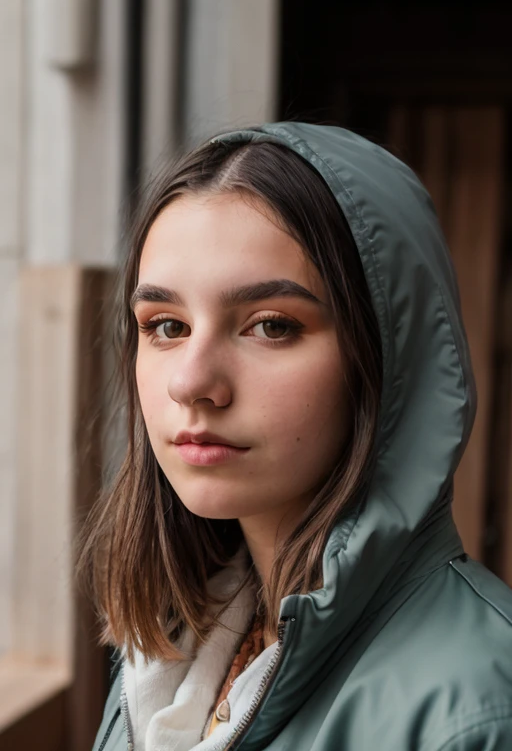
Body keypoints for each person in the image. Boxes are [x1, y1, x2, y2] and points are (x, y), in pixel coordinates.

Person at [83, 122, 512, 751]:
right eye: (167, 325)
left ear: (389, 358)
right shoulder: (168, 657)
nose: (192, 382)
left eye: (272, 326)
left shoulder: (477, 711)